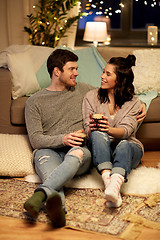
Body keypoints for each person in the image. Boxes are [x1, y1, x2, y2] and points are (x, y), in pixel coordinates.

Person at [24, 49, 146, 227]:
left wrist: (142, 104)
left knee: (77, 155)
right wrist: (63, 139)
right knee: (51, 173)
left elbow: (118, 93)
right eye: (72, 69)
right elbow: (36, 140)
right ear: (57, 72)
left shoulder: (83, 90)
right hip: (47, 150)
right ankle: (59, 211)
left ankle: (40, 193)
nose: (77, 73)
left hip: (78, 150)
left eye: (77, 68)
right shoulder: (34, 102)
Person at [82, 54, 144, 208]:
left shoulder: (134, 103)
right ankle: (111, 185)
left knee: (124, 144)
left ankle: (113, 187)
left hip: (128, 148)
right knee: (96, 133)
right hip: (101, 147)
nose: (102, 76)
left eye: (108, 74)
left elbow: (127, 131)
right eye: (103, 72)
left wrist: (107, 128)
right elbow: (87, 128)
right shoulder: (91, 97)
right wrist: (98, 129)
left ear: (120, 80)